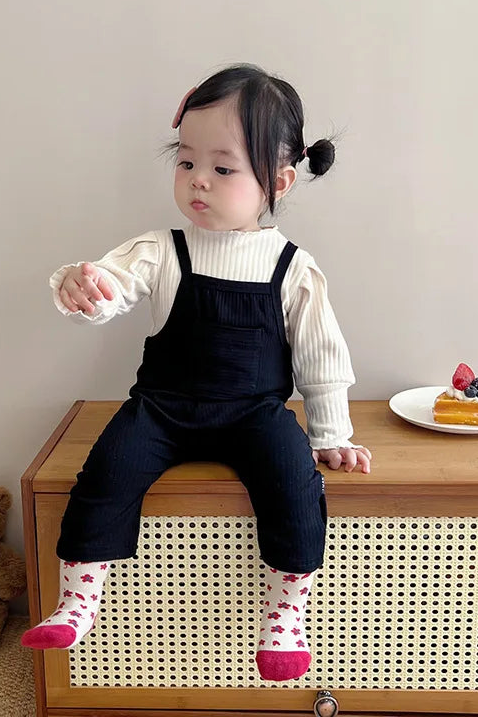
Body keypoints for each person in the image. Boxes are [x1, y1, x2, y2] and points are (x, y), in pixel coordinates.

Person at [21, 63, 372, 682]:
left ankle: (285, 615)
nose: (198, 181)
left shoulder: (292, 266)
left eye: (223, 168)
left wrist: (331, 435)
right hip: (161, 409)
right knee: (106, 471)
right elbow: (111, 287)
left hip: (255, 415)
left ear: (278, 182)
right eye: (185, 162)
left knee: (295, 484)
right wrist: (85, 286)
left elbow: (322, 358)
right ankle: (77, 601)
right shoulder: (162, 249)